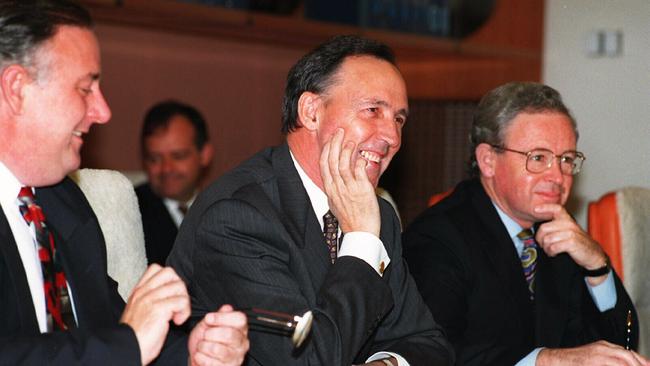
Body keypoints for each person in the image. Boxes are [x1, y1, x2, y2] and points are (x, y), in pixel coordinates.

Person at [167, 35, 454, 365]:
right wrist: (361, 239)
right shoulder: (237, 216)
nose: (392, 136)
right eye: (373, 110)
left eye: (399, 119)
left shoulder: (378, 216)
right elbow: (307, 358)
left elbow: (430, 345)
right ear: (311, 111)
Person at [0, 1, 248, 365]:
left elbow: (112, 327)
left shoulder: (62, 202)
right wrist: (127, 344)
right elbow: (122, 343)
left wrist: (194, 354)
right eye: (86, 89)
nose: (103, 111)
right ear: (17, 88)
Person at [403, 82, 647, 366]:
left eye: (566, 159)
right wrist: (547, 360)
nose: (557, 176)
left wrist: (597, 266)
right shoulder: (437, 239)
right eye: (539, 158)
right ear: (488, 160)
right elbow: (433, 354)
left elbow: (621, 347)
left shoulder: (556, 234)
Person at [136, 100, 213, 265]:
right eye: (154, 159)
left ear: (205, 154)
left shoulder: (224, 209)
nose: (166, 169)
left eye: (178, 156)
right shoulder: (131, 211)